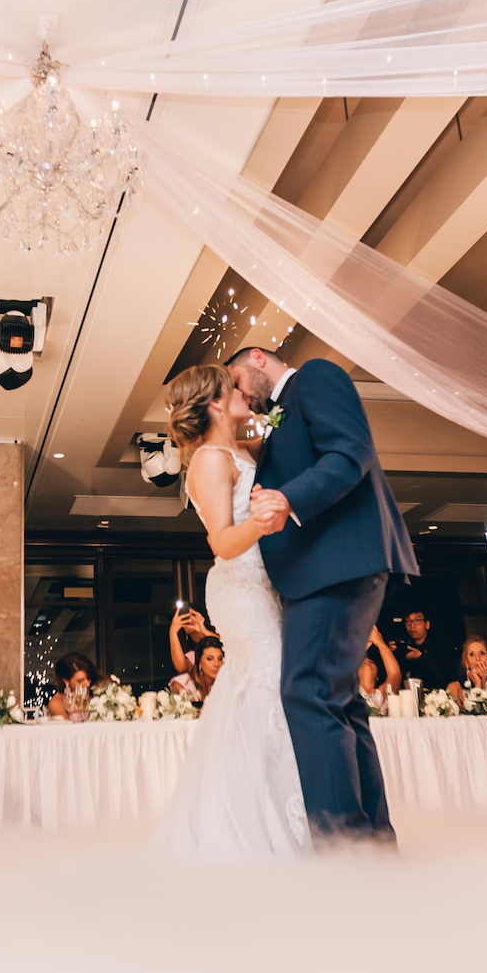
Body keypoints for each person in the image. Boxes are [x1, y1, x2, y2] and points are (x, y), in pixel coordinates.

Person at [231, 346, 417, 848]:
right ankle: (372, 845)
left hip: (336, 565)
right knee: (339, 703)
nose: (241, 397)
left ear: (257, 357)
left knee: (307, 693)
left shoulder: (314, 376)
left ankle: (344, 849)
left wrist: (290, 498)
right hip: (324, 570)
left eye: (237, 381)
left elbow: (350, 451)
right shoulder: (275, 417)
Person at [158, 363, 310, 857]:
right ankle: (255, 823)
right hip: (240, 587)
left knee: (262, 689)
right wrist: (266, 522)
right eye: (233, 385)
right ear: (218, 402)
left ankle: (266, 808)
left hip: (266, 584)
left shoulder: (241, 450)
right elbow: (222, 541)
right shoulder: (207, 459)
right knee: (267, 682)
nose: (244, 390)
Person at [389, 609, 460, 694]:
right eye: (408, 621)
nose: (412, 625)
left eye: (417, 620)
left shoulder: (440, 645)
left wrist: (420, 657)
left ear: (427, 624)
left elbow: (448, 675)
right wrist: (389, 654)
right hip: (410, 695)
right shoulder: (405, 645)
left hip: (438, 695)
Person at [45, 652, 103, 721]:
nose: (87, 684)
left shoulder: (98, 692)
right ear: (66, 681)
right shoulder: (57, 703)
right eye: (80, 681)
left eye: (89, 678)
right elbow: (68, 730)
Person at [169, 638, 224, 705]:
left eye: (220, 659)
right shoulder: (184, 684)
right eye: (209, 659)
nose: (216, 664)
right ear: (199, 662)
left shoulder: (224, 684)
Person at [165, 605, 214, 678]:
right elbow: (182, 668)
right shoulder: (193, 653)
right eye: (185, 617)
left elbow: (227, 646)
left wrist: (204, 631)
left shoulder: (218, 635)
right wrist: (173, 633)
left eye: (193, 615)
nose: (189, 619)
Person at [356, 625, 402, 702]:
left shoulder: (381, 694)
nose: (367, 661)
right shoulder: (346, 693)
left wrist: (379, 642)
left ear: (377, 676)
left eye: (372, 662)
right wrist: (364, 647)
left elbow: (394, 673)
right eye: (362, 662)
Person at [446, 637, 487, 706]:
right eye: (472, 654)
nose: (478, 658)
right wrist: (478, 685)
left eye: (482, 653)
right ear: (466, 662)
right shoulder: (455, 687)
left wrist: (485, 683)